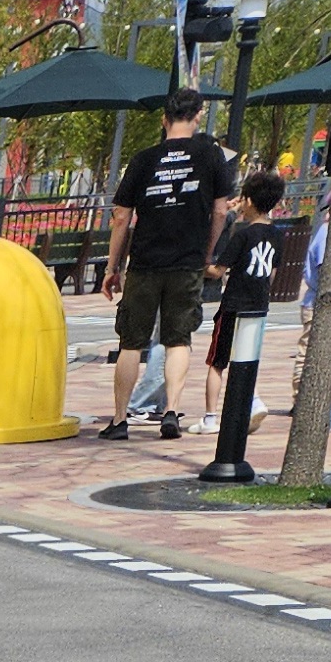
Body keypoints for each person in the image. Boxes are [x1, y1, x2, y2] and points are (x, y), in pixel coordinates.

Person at [100, 87, 235, 440]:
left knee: (132, 342)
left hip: (145, 261)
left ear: (164, 119)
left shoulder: (144, 159)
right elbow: (221, 211)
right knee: (178, 339)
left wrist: (112, 267)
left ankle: (120, 420)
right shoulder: (211, 155)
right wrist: (206, 252)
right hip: (187, 261)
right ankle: (170, 411)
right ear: (198, 116)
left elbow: (121, 217)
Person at [206, 168, 292, 405]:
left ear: (249, 201)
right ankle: (251, 402)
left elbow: (217, 271)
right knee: (247, 358)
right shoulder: (277, 235)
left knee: (217, 362)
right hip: (259, 305)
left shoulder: (243, 236)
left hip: (233, 305)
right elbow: (272, 273)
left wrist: (200, 265)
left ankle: (210, 415)